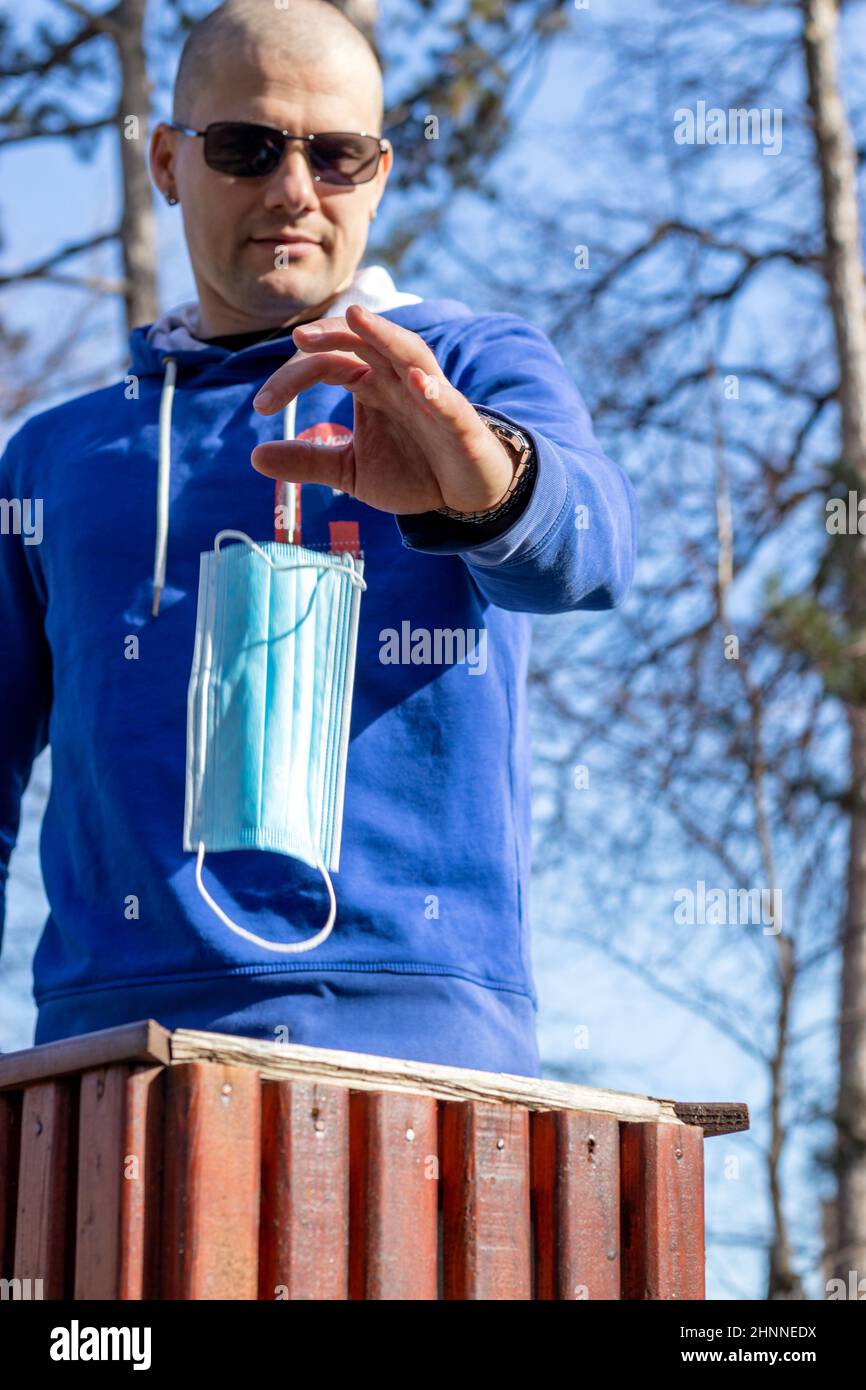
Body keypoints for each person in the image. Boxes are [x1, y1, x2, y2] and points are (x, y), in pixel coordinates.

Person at [0, 0, 637, 1077]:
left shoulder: (462, 366)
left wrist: (472, 474)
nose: (293, 190)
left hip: (419, 1052)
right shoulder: (53, 457)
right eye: (246, 147)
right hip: (105, 1061)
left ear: (379, 173)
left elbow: (591, 553)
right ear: (166, 160)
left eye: (335, 154)